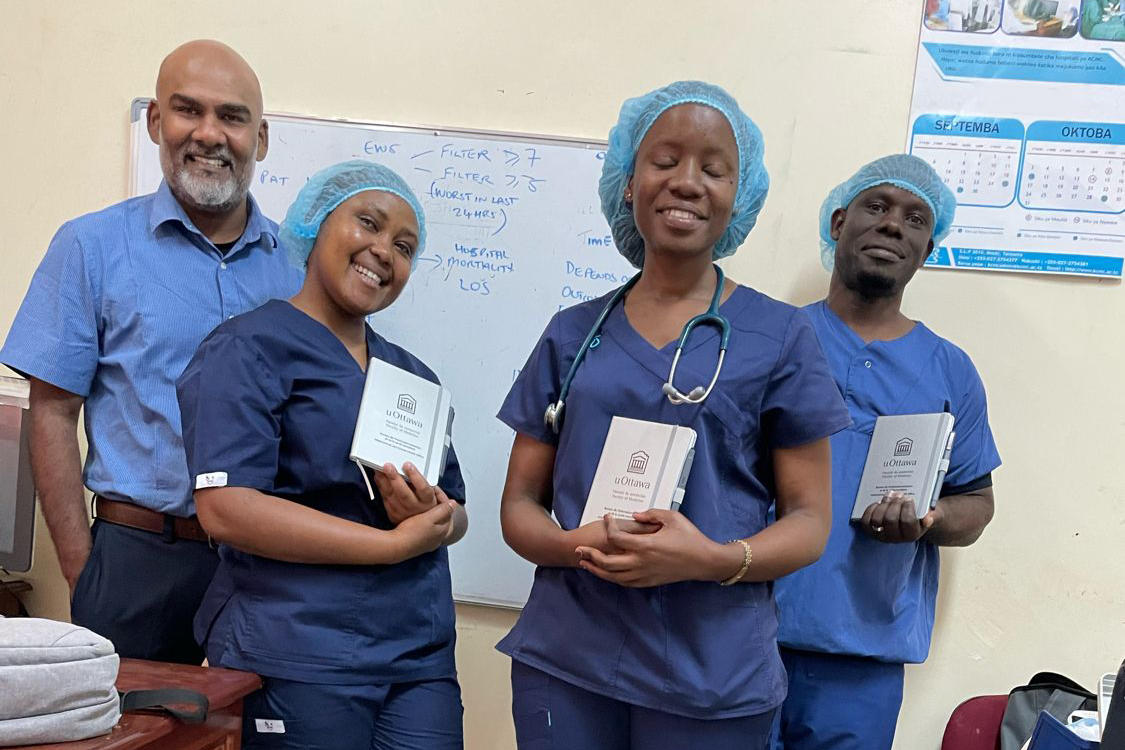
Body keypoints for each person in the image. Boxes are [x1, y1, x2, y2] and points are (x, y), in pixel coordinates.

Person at [495, 81, 852, 750]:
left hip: (710, 677)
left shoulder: (780, 337)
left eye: (712, 168)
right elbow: (518, 502)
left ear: (736, 198)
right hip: (566, 661)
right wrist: (580, 544)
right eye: (663, 160)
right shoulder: (572, 334)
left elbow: (809, 522)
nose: (686, 182)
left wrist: (710, 559)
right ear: (627, 183)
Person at [0, 40, 301, 663]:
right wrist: (87, 574)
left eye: (233, 116)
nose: (210, 134)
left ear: (262, 138)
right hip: (138, 560)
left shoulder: (298, 268)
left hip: (271, 566)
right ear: (157, 122)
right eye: (188, 110)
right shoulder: (91, 246)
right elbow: (52, 415)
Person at [176, 160, 468, 750]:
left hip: (418, 657)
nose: (385, 250)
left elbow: (455, 511)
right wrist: (391, 545)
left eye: (405, 246)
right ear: (314, 226)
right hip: (298, 651)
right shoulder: (246, 349)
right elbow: (227, 509)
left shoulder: (411, 377)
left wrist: (431, 516)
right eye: (369, 223)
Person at [771, 155, 1001, 750]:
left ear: (926, 249)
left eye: (916, 218)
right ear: (838, 221)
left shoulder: (951, 370)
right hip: (738, 631)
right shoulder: (769, 341)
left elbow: (975, 502)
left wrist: (929, 520)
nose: (894, 225)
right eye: (876, 207)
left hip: (862, 655)